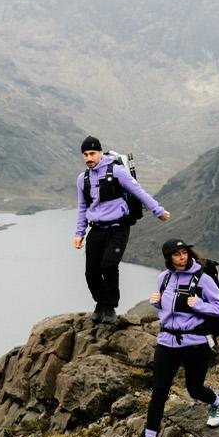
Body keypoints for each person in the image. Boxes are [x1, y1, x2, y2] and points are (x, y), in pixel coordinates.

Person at [130, 239, 219, 437]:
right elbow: (170, 307)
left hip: (195, 342)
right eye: (176, 254)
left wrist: (199, 305)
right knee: (159, 392)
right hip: (166, 341)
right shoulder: (163, 278)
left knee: (194, 389)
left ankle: (218, 401)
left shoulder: (202, 278)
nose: (182, 257)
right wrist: (157, 304)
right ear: (169, 258)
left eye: (184, 252)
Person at [72, 136, 170, 324]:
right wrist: (79, 233)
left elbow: (138, 192)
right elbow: (82, 207)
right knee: (91, 272)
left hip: (118, 228)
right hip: (96, 229)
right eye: (85, 154)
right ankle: (100, 302)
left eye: (92, 153)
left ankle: (110, 307)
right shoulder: (82, 179)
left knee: (108, 266)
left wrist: (158, 211)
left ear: (100, 152)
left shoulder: (117, 172)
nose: (89, 158)